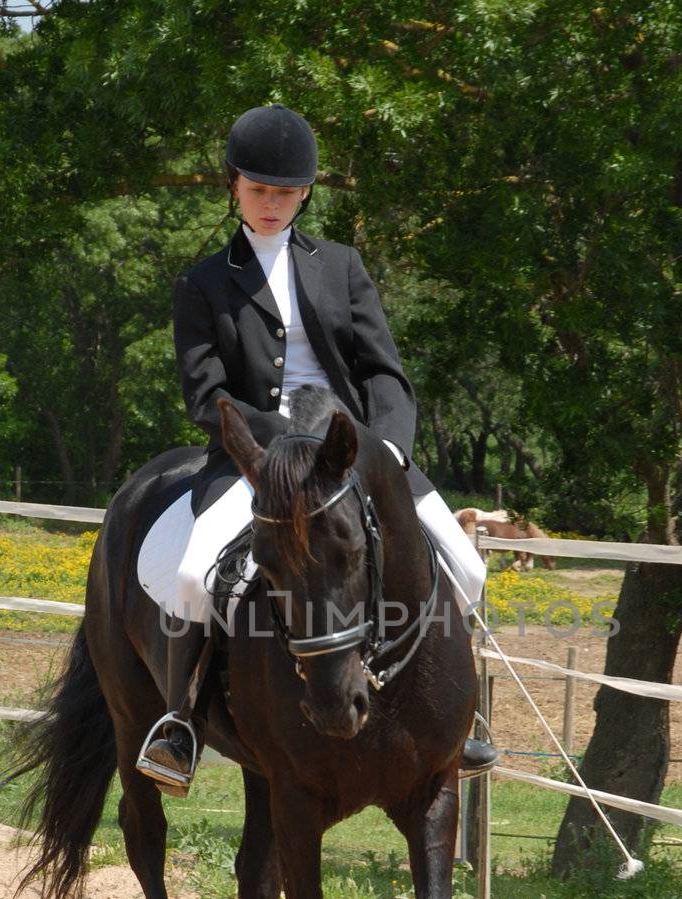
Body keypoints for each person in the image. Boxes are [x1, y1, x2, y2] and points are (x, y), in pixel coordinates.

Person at [134, 103, 497, 796]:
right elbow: (205, 392)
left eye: (286, 191)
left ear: (305, 193)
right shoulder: (202, 283)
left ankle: (464, 719)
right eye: (259, 189)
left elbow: (383, 372)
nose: (272, 204)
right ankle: (181, 724)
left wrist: (384, 450)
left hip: (353, 453)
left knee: (469, 567)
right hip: (256, 461)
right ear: (234, 185)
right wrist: (272, 453)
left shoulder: (342, 267)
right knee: (189, 575)